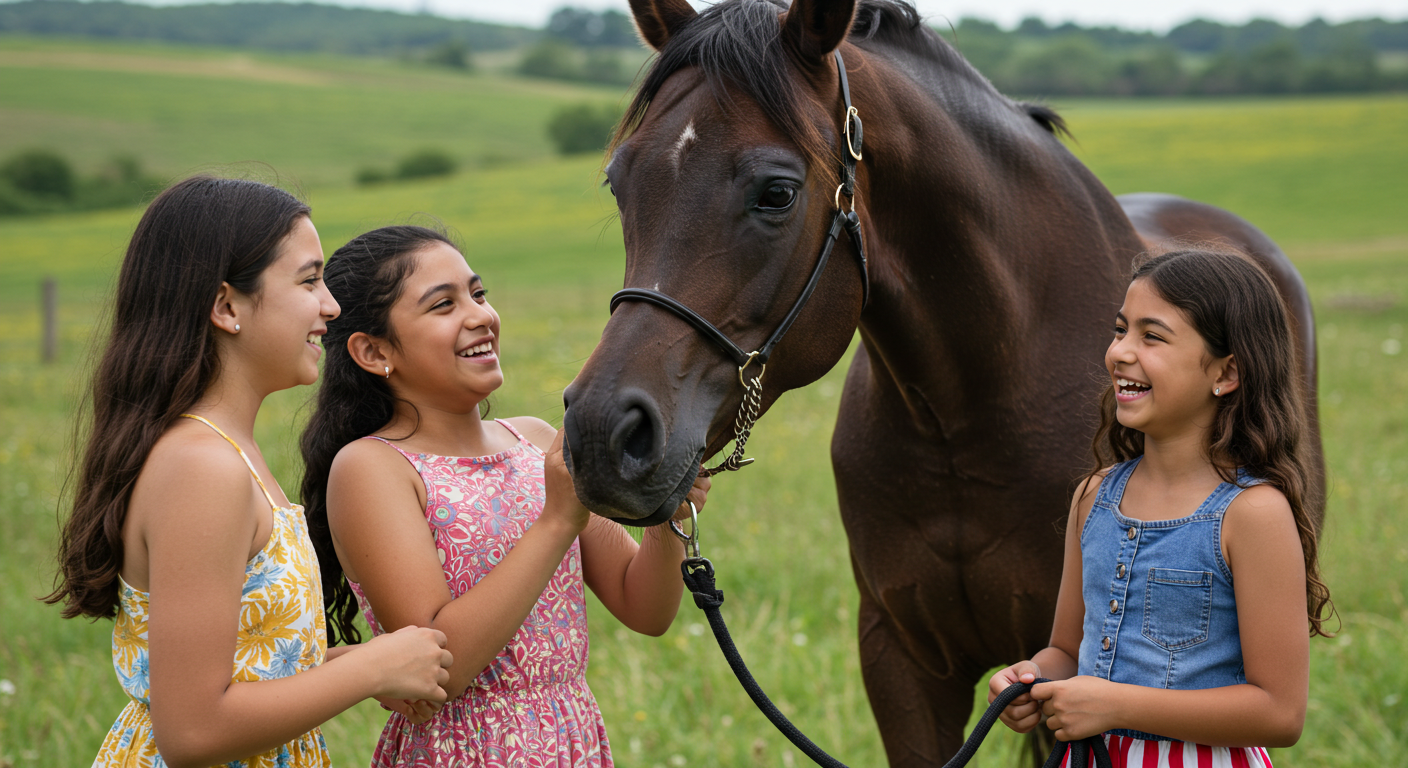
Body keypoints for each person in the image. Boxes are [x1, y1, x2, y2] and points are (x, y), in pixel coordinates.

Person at [46, 177, 455, 768]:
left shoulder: (227, 452)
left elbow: (246, 665)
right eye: (309, 280)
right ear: (226, 306)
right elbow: (192, 730)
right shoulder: (202, 468)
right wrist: (370, 668)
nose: (331, 305)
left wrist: (361, 665)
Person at [300, 225, 710, 767]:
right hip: (464, 750)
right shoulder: (372, 469)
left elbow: (646, 608)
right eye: (443, 305)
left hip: (572, 739)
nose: (479, 316)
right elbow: (439, 666)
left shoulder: (536, 441)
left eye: (478, 293)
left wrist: (669, 516)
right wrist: (556, 522)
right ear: (374, 351)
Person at [987, 248, 1335, 767]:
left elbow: (1280, 713)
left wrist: (1113, 704)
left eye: (1152, 336)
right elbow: (1065, 650)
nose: (1120, 352)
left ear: (1227, 372)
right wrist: (1031, 678)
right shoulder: (1094, 497)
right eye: (1120, 329)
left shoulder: (1252, 513)